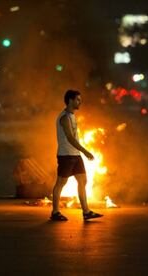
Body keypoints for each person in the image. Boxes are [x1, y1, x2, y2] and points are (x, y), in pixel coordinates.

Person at [50, 90, 103, 221]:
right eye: (78, 100)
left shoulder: (72, 116)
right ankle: (55, 212)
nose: (80, 102)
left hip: (75, 154)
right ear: (70, 101)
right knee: (61, 183)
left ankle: (86, 212)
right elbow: (70, 138)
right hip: (66, 155)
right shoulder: (64, 117)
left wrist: (81, 152)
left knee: (83, 180)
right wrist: (85, 151)